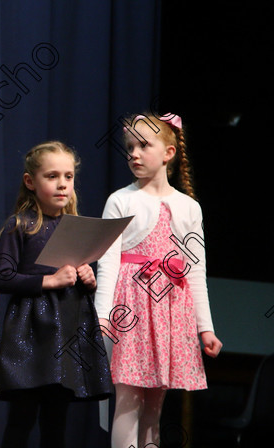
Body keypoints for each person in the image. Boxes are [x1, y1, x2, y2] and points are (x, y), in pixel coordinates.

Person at [94, 113, 222, 448]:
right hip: (132, 308)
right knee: (126, 402)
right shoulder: (121, 200)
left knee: (154, 407)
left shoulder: (188, 207)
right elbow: (106, 262)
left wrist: (204, 328)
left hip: (169, 311)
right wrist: (102, 315)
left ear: (167, 153)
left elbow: (196, 272)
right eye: (130, 147)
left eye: (143, 145)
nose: (133, 153)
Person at [0, 141, 112, 448]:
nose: (62, 184)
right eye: (52, 176)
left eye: (68, 177)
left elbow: (77, 274)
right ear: (31, 181)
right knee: (22, 418)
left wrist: (87, 277)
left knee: (55, 422)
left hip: (66, 332)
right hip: (31, 333)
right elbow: (1, 277)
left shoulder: (75, 227)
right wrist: (49, 280)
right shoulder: (21, 226)